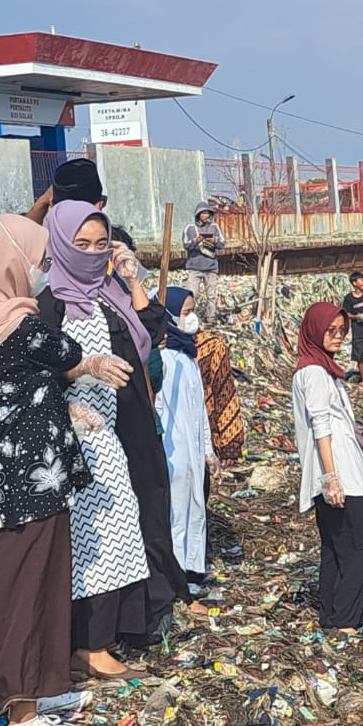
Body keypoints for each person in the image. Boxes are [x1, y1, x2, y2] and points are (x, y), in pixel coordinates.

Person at [0, 214, 114, 726]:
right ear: (11, 264)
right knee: (25, 585)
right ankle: (20, 710)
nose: (42, 272)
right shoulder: (20, 324)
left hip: (3, 479)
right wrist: (89, 364)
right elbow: (65, 355)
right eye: (37, 261)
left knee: (34, 580)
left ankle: (38, 689)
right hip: (30, 481)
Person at [41, 202, 186, 679]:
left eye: (100, 244)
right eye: (80, 244)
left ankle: (109, 635)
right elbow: (34, 370)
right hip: (75, 437)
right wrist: (77, 381)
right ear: (60, 244)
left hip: (119, 431)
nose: (91, 254)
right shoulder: (52, 303)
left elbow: (154, 333)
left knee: (123, 531)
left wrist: (132, 279)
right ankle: (88, 645)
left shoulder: (108, 295)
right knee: (94, 539)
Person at [292, 303, 363, 632]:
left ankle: (332, 617)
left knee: (337, 547)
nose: (338, 337)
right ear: (315, 330)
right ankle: (348, 619)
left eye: (342, 331)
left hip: (340, 470)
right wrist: (331, 478)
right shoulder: (314, 372)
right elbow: (320, 426)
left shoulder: (319, 369)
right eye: (330, 331)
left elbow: (330, 423)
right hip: (340, 475)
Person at [156, 288, 218, 589]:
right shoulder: (163, 361)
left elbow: (200, 414)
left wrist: (208, 451)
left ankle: (193, 570)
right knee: (176, 515)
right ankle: (176, 578)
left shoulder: (188, 359)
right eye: (185, 312)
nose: (191, 318)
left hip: (192, 453)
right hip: (172, 451)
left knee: (195, 510)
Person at [194, 315, 247, 469]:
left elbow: (225, 393)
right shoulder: (154, 350)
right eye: (185, 312)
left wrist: (230, 443)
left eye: (192, 311)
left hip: (203, 438)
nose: (191, 318)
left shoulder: (211, 347)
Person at [183, 202, 226, 322]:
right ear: (198, 215)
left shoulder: (215, 227)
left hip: (211, 267)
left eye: (208, 213)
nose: (206, 215)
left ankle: (211, 318)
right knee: (191, 295)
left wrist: (214, 240)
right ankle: (191, 319)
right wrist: (195, 241)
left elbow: (222, 243)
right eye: (203, 213)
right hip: (194, 267)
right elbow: (186, 245)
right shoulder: (190, 228)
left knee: (211, 296)